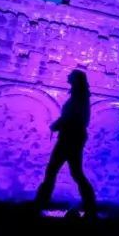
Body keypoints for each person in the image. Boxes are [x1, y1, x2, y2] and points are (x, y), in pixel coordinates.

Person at [34, 70, 97, 218]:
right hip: (72, 136)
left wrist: (57, 125)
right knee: (72, 172)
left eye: (71, 75)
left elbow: (71, 117)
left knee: (57, 171)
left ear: (76, 79)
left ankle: (40, 203)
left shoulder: (79, 96)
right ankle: (90, 206)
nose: (67, 76)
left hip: (70, 137)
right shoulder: (79, 95)